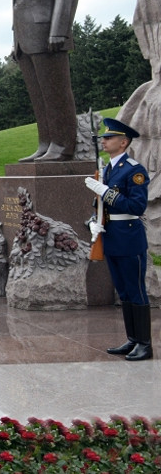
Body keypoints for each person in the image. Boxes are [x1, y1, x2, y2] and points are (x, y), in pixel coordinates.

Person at [11, 0, 81, 162]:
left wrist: (59, 30)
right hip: (26, 39)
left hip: (48, 34)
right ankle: (46, 144)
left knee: (56, 94)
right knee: (39, 98)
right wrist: (16, 40)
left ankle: (62, 146)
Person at [85, 117, 152, 361]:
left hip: (129, 238)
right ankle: (133, 339)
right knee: (123, 291)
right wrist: (94, 220)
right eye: (103, 137)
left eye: (109, 137)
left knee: (135, 290)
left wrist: (105, 192)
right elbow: (102, 205)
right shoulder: (108, 169)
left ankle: (144, 344)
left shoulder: (134, 170)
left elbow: (137, 206)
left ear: (123, 142)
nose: (104, 141)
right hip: (111, 237)